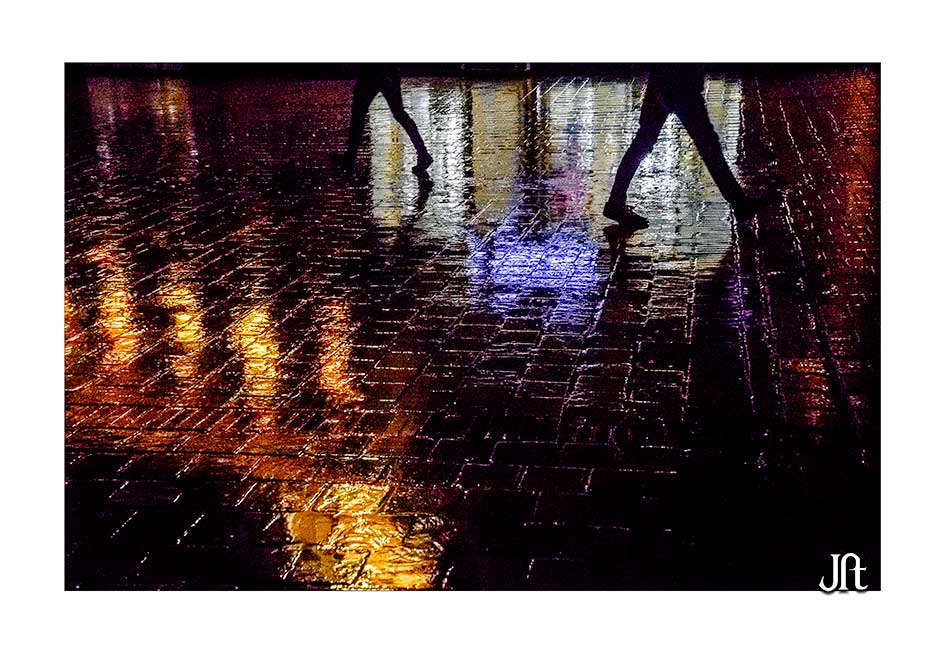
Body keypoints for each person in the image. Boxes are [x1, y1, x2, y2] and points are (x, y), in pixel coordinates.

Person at [604, 64, 775, 227]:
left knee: (645, 143)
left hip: (670, 83)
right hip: (680, 85)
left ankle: (615, 202)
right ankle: (739, 202)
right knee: (707, 145)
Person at [335, 64, 433, 175]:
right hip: (387, 72)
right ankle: (423, 153)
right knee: (399, 114)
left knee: (358, 116)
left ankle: (349, 158)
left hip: (371, 74)